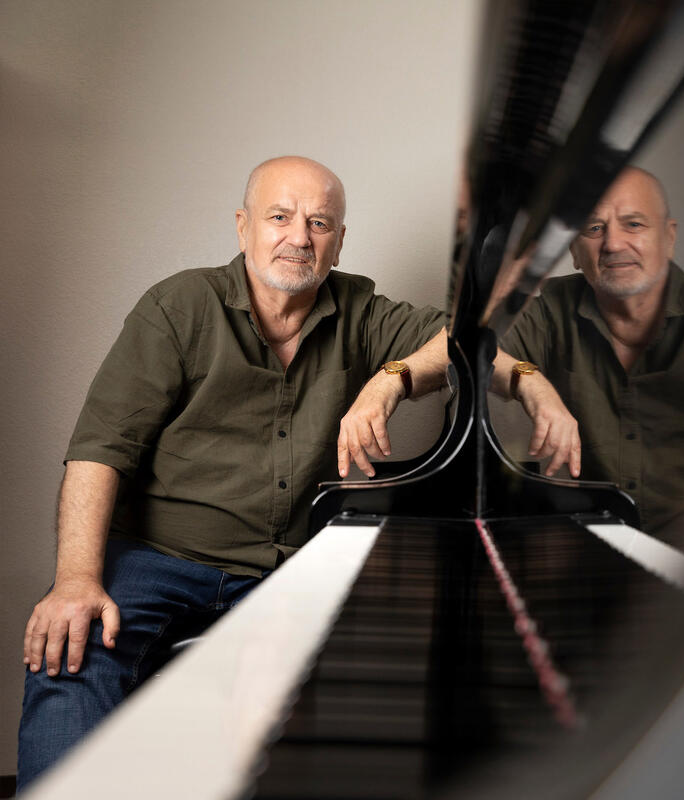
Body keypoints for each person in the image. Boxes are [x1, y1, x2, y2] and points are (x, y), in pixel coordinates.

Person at [17, 156, 579, 789]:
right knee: (71, 653)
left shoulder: (360, 309)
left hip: (284, 572)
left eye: (319, 223)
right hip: (159, 556)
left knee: (344, 691)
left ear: (339, 242)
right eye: (279, 217)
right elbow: (99, 450)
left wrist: (431, 382)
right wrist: (75, 579)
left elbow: (465, 339)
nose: (299, 237)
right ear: (243, 227)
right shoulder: (179, 306)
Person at [498, 167, 684, 546]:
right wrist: (534, 385)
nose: (613, 243)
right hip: (597, 549)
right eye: (593, 229)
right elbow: (473, 352)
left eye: (633, 224)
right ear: (574, 252)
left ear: (669, 238)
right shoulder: (551, 307)